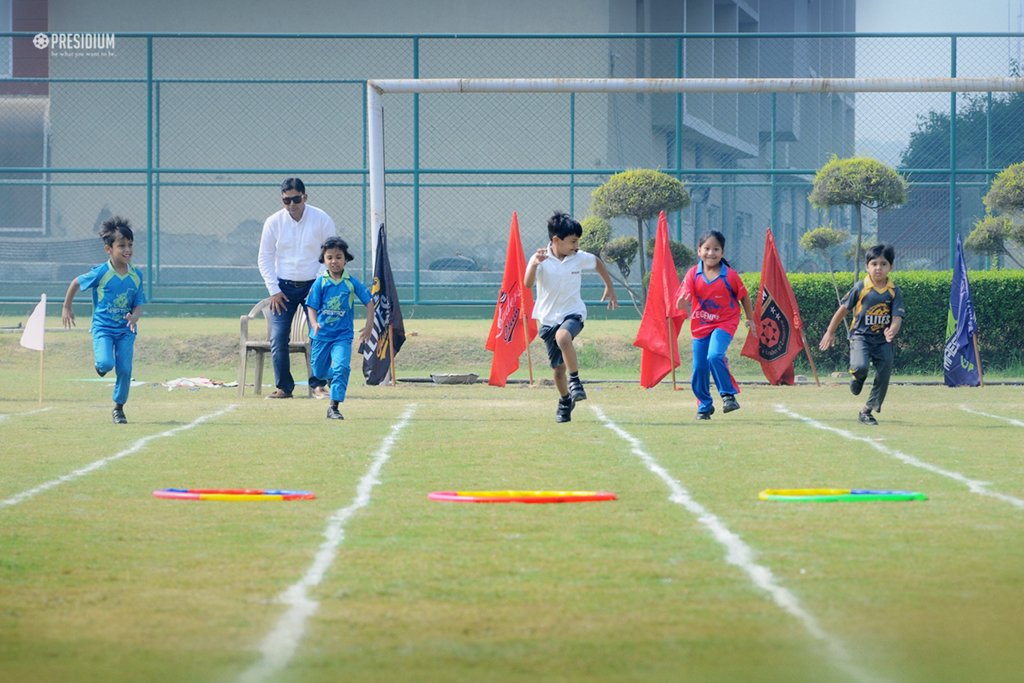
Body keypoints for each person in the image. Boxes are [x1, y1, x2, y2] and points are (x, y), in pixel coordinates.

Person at [524, 211, 618, 423]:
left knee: (564, 337)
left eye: (578, 241)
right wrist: (534, 264)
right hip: (548, 320)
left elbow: (597, 263)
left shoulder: (579, 258)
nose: (576, 246)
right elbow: (527, 284)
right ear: (556, 240)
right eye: (572, 241)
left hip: (573, 313)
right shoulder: (540, 258)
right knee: (558, 371)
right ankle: (565, 400)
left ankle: (575, 381)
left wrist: (609, 286)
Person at [61, 216, 147, 424]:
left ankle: (119, 408)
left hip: (126, 330)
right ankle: (101, 366)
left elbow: (139, 302)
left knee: (125, 369)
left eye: (130, 245)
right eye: (121, 246)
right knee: (106, 363)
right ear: (108, 249)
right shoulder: (101, 272)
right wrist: (66, 307)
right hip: (103, 328)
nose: (127, 250)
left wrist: (135, 316)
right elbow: (75, 282)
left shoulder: (136, 275)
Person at [257, 177, 336, 399]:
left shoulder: (321, 219)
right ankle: (284, 387)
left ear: (305, 197)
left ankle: (318, 385)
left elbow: (329, 255)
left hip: (315, 284)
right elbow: (264, 257)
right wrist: (274, 289)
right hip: (282, 288)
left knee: (319, 334)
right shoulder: (273, 222)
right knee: (278, 336)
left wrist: (319, 286)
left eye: (296, 199)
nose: (292, 205)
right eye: (286, 201)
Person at [819, 244, 905, 426]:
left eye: (883, 264)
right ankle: (858, 377)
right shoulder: (860, 287)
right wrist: (830, 331)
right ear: (867, 266)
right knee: (860, 366)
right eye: (874, 264)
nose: (878, 268)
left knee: (884, 372)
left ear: (891, 267)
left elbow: (897, 317)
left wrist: (892, 330)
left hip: (883, 341)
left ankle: (867, 411)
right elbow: (842, 310)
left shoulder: (894, 291)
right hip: (860, 337)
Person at [675, 230, 756, 420]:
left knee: (715, 355)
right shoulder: (693, 274)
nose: (711, 253)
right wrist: (681, 303)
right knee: (699, 367)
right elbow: (681, 301)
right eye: (707, 249)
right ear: (699, 251)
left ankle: (728, 395)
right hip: (701, 325)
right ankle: (704, 406)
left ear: (722, 252)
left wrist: (750, 319)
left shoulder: (730, 276)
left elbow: (744, 297)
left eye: (716, 249)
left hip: (725, 322)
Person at [304, 237, 374, 420]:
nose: (334, 261)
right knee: (318, 372)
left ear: (345, 259)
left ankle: (334, 407)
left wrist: (368, 327)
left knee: (342, 367)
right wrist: (314, 323)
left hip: (342, 335)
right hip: (321, 335)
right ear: (324, 260)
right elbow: (311, 306)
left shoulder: (351, 282)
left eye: (338, 257)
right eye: (329, 257)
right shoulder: (320, 282)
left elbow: (369, 302)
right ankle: (331, 377)